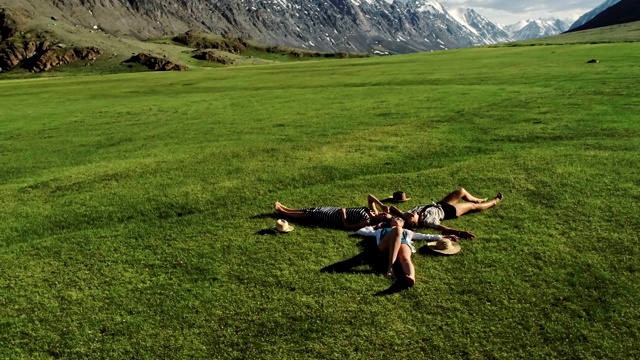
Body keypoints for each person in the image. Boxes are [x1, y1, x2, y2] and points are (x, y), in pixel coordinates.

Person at [357, 217, 458, 286]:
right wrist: (377, 226)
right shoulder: (381, 230)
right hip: (385, 247)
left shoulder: (407, 232)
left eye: (400, 219)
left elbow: (424, 236)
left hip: (403, 243)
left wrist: (443, 236)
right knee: (397, 230)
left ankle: (411, 277)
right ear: (390, 222)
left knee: (405, 258)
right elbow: (361, 231)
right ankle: (390, 267)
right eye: (395, 218)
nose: (397, 219)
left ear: (403, 224)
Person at [389, 188, 503, 239]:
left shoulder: (408, 214)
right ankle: (494, 202)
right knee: (473, 207)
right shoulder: (428, 221)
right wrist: (460, 232)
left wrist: (402, 215)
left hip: (441, 204)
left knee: (461, 191)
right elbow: (444, 228)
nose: (410, 214)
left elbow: (393, 208)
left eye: (408, 216)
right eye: (411, 217)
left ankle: (476, 199)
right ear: (415, 223)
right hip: (449, 211)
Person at [274, 194, 392, 230]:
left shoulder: (367, 221)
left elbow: (348, 227)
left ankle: (283, 212)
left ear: (382, 221)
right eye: (384, 213)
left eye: (384, 215)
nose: (382, 213)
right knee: (311, 210)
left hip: (333, 216)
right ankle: (286, 209)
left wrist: (344, 215)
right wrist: (381, 205)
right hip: (334, 210)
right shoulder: (373, 212)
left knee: (310, 214)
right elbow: (370, 197)